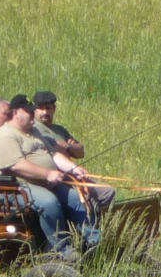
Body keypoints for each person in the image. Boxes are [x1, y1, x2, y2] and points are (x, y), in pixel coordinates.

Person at [0, 94, 95, 257]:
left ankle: (93, 242)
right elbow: (18, 166)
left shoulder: (35, 131)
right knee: (49, 202)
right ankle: (61, 248)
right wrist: (48, 174)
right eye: (29, 112)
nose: (33, 115)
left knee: (77, 199)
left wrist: (74, 168)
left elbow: (53, 155)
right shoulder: (5, 135)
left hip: (45, 183)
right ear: (16, 113)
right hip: (17, 188)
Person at [32, 89, 116, 219]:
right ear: (34, 110)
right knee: (80, 197)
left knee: (107, 192)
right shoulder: (34, 129)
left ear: (54, 109)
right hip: (56, 176)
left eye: (48, 108)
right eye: (41, 108)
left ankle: (103, 225)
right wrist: (65, 148)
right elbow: (54, 151)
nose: (45, 112)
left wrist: (68, 146)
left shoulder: (59, 129)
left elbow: (80, 151)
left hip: (73, 174)